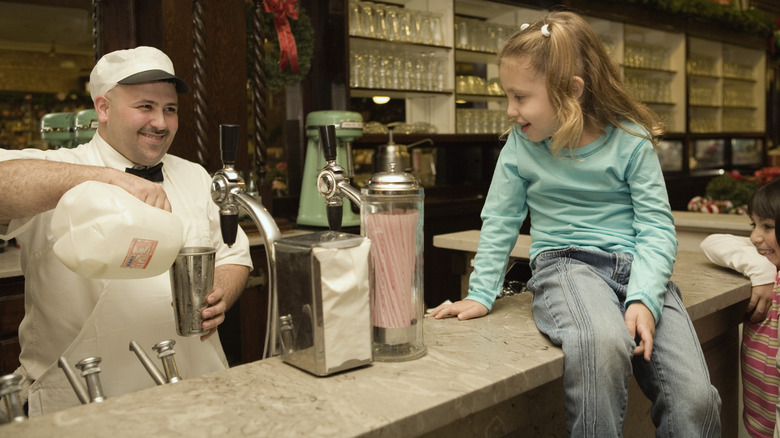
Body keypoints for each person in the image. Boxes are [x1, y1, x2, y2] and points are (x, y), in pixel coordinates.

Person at [427, 11, 721, 436]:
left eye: (520, 97)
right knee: (602, 344)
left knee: (696, 398)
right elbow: (500, 220)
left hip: (637, 267)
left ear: (571, 92)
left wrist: (643, 298)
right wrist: (481, 292)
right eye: (507, 96)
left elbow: (656, 228)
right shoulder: (519, 147)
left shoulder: (632, 140)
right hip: (567, 266)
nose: (510, 110)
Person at [0, 46, 252, 416]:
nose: (161, 123)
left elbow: (234, 256)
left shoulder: (196, 176)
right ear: (103, 108)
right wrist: (107, 178)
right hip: (83, 396)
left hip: (194, 389)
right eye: (145, 106)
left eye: (170, 109)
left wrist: (221, 293)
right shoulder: (65, 167)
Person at [700, 179, 780, 438]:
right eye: (754, 225)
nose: (755, 237)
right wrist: (762, 271)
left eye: (767, 226)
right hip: (757, 421)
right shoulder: (765, 265)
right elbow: (712, 243)